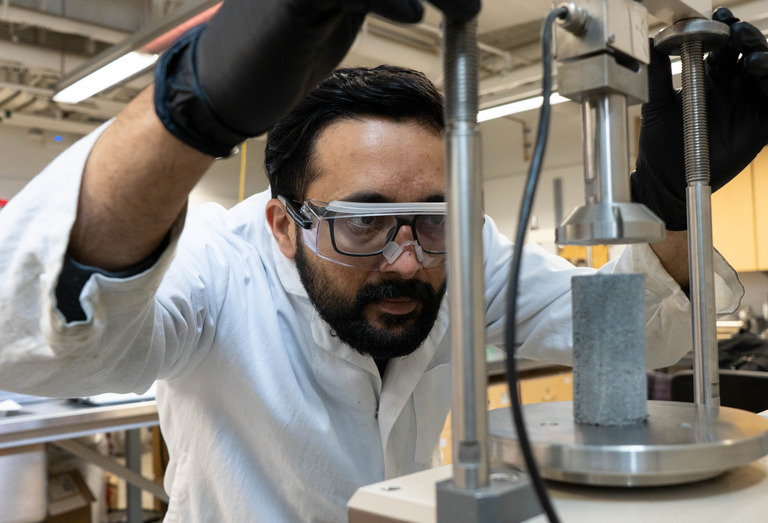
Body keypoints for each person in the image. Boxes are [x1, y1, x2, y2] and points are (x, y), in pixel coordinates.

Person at [0, 1, 765, 520]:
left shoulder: (460, 259)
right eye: (363, 225)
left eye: (433, 220)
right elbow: (30, 348)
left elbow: (641, 338)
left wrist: (664, 202)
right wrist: (193, 105)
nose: (405, 260)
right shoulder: (215, 269)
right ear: (282, 224)